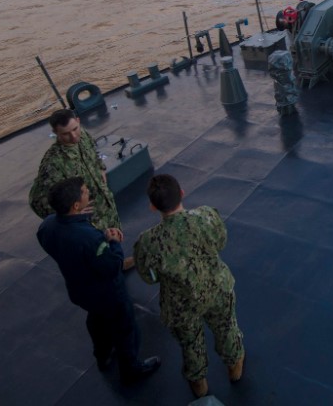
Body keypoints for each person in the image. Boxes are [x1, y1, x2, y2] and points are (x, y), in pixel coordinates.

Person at [36, 176, 161, 383]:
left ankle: (102, 356)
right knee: (125, 327)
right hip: (107, 293)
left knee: (96, 321)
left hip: (79, 290)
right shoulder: (88, 238)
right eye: (85, 192)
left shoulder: (48, 225)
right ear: (76, 205)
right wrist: (113, 243)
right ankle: (130, 368)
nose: (88, 193)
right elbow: (112, 267)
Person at [134, 173, 245, 398]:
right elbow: (221, 241)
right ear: (182, 193)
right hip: (217, 289)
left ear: (153, 207)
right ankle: (235, 371)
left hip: (180, 305)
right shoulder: (206, 216)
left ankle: (200, 389)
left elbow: (149, 277)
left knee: (191, 345)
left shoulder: (148, 242)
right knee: (226, 329)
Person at [29, 108, 134, 269]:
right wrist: (66, 214)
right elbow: (37, 201)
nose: (73, 136)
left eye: (75, 129)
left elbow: (94, 153)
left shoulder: (83, 136)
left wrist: (101, 168)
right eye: (65, 134)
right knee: (95, 254)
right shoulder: (54, 162)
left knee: (112, 240)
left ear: (78, 121)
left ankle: (117, 264)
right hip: (87, 219)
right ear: (55, 133)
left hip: (105, 205)